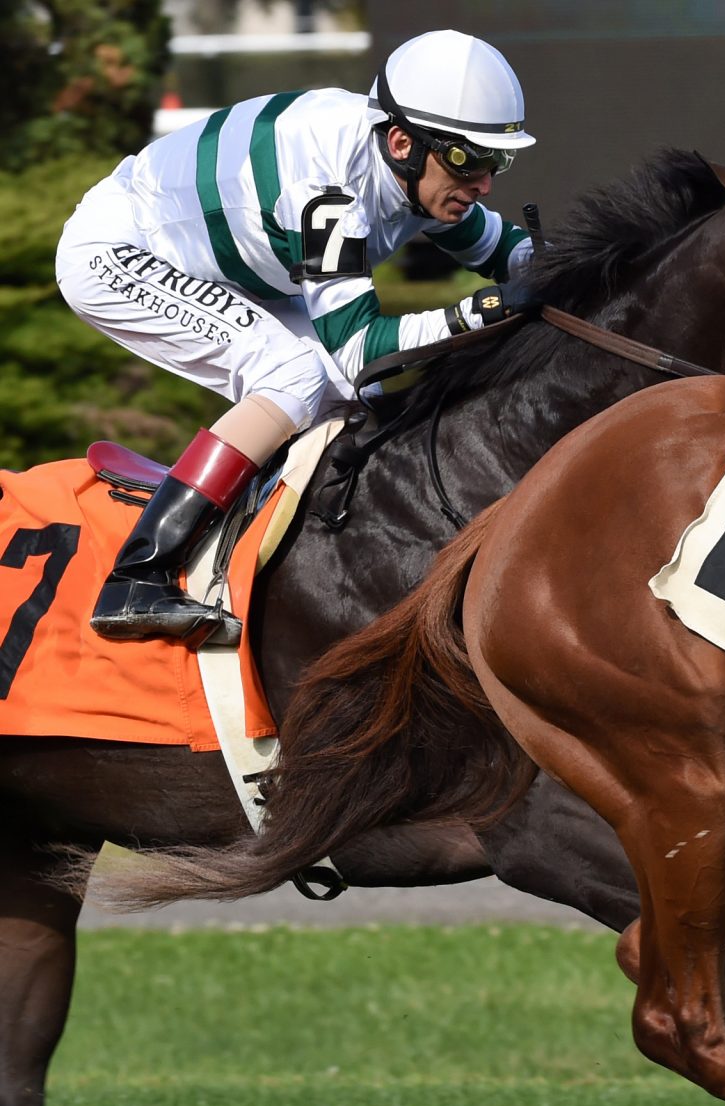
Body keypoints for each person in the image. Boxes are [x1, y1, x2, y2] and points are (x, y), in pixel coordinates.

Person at [55, 29, 538, 646]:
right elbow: (364, 350)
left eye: (498, 162)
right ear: (401, 142)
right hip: (120, 249)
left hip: (228, 267)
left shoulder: (415, 164)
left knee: (345, 395)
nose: (485, 184)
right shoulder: (331, 189)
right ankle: (138, 576)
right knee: (297, 376)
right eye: (471, 161)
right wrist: (479, 312)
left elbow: (505, 252)